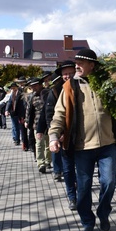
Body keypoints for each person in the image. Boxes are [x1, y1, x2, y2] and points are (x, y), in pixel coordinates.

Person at [48, 49, 116, 231]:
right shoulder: (69, 87)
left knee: (109, 182)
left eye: (81, 63)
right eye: (76, 62)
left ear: (92, 65)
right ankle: (87, 221)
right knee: (83, 187)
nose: (77, 66)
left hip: (107, 144)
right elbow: (59, 114)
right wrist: (53, 137)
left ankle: (103, 213)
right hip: (82, 147)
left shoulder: (107, 85)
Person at [39, 61, 77, 209]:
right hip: (64, 138)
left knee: (81, 169)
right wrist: (57, 134)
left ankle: (80, 191)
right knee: (68, 169)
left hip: (82, 138)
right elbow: (50, 116)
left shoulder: (84, 87)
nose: (68, 76)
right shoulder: (55, 91)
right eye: (65, 74)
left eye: (70, 72)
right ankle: (72, 197)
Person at [6, 82, 26, 147]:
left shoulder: (21, 94)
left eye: (14, 88)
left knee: (20, 127)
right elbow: (9, 102)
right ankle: (17, 140)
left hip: (20, 113)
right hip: (13, 113)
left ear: (16, 87)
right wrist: (7, 110)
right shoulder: (12, 94)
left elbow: (23, 104)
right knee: (15, 127)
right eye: (12, 88)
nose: (13, 89)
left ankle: (23, 140)